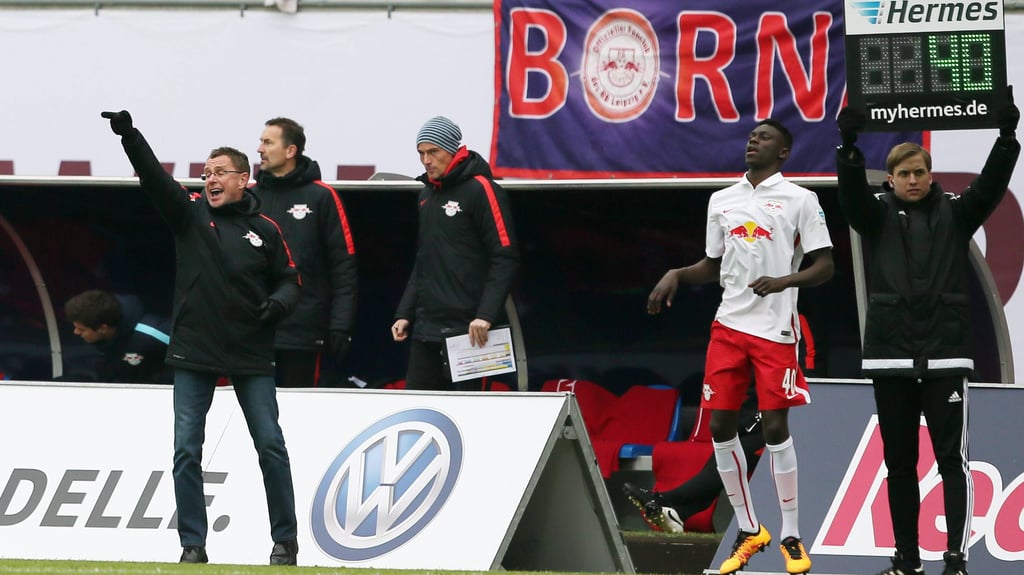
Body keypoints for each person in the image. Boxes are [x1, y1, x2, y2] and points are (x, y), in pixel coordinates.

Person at [100, 110, 302, 566]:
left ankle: (285, 541)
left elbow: (291, 280)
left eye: (218, 172)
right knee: (186, 450)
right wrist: (131, 137)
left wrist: (277, 305)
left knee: (270, 444)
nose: (209, 179)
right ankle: (192, 544)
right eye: (205, 172)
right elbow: (154, 179)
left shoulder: (266, 230)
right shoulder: (190, 216)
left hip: (251, 352)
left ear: (244, 180)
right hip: (194, 350)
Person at [836, 89, 1020, 575]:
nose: (913, 180)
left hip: (945, 355)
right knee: (898, 466)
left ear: (930, 175)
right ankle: (906, 560)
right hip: (890, 356)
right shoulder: (873, 215)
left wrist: (1006, 138)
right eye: (904, 174)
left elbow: (993, 185)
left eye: (920, 172)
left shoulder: (957, 212)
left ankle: (956, 559)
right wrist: (849, 151)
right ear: (892, 179)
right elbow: (851, 194)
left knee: (950, 462)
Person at [647, 119, 834, 575]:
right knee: (720, 427)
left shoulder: (801, 199)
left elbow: (825, 265)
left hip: (775, 331)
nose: (754, 140)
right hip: (728, 327)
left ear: (784, 152)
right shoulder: (722, 200)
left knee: (773, 429)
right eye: (752, 135)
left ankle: (791, 532)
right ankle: (752, 530)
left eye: (765, 137)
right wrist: (677, 273)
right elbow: (712, 265)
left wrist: (785, 280)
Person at [390, 116, 520, 390]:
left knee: (472, 417)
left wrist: (485, 315)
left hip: (473, 331)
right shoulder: (426, 195)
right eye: (421, 153)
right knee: (419, 408)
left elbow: (505, 257)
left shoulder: (482, 189)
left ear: (452, 150)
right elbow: (424, 260)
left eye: (433, 152)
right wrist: (405, 313)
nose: (426, 160)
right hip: (427, 327)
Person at [252, 117, 358, 387]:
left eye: (267, 142)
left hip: (304, 332)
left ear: (291, 151)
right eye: (260, 142)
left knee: (297, 416)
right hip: (253, 331)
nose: (259, 149)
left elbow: (343, 267)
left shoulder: (322, 197)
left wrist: (340, 326)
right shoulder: (249, 197)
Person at [622, 384, 764, 534]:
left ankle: (665, 500)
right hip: (762, 417)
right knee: (726, 451)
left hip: (780, 430)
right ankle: (678, 512)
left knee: (731, 453)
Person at [64, 289, 172, 384]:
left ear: (103, 328)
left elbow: (186, 359)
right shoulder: (98, 335)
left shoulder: (153, 334)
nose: (76, 332)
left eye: (82, 329)